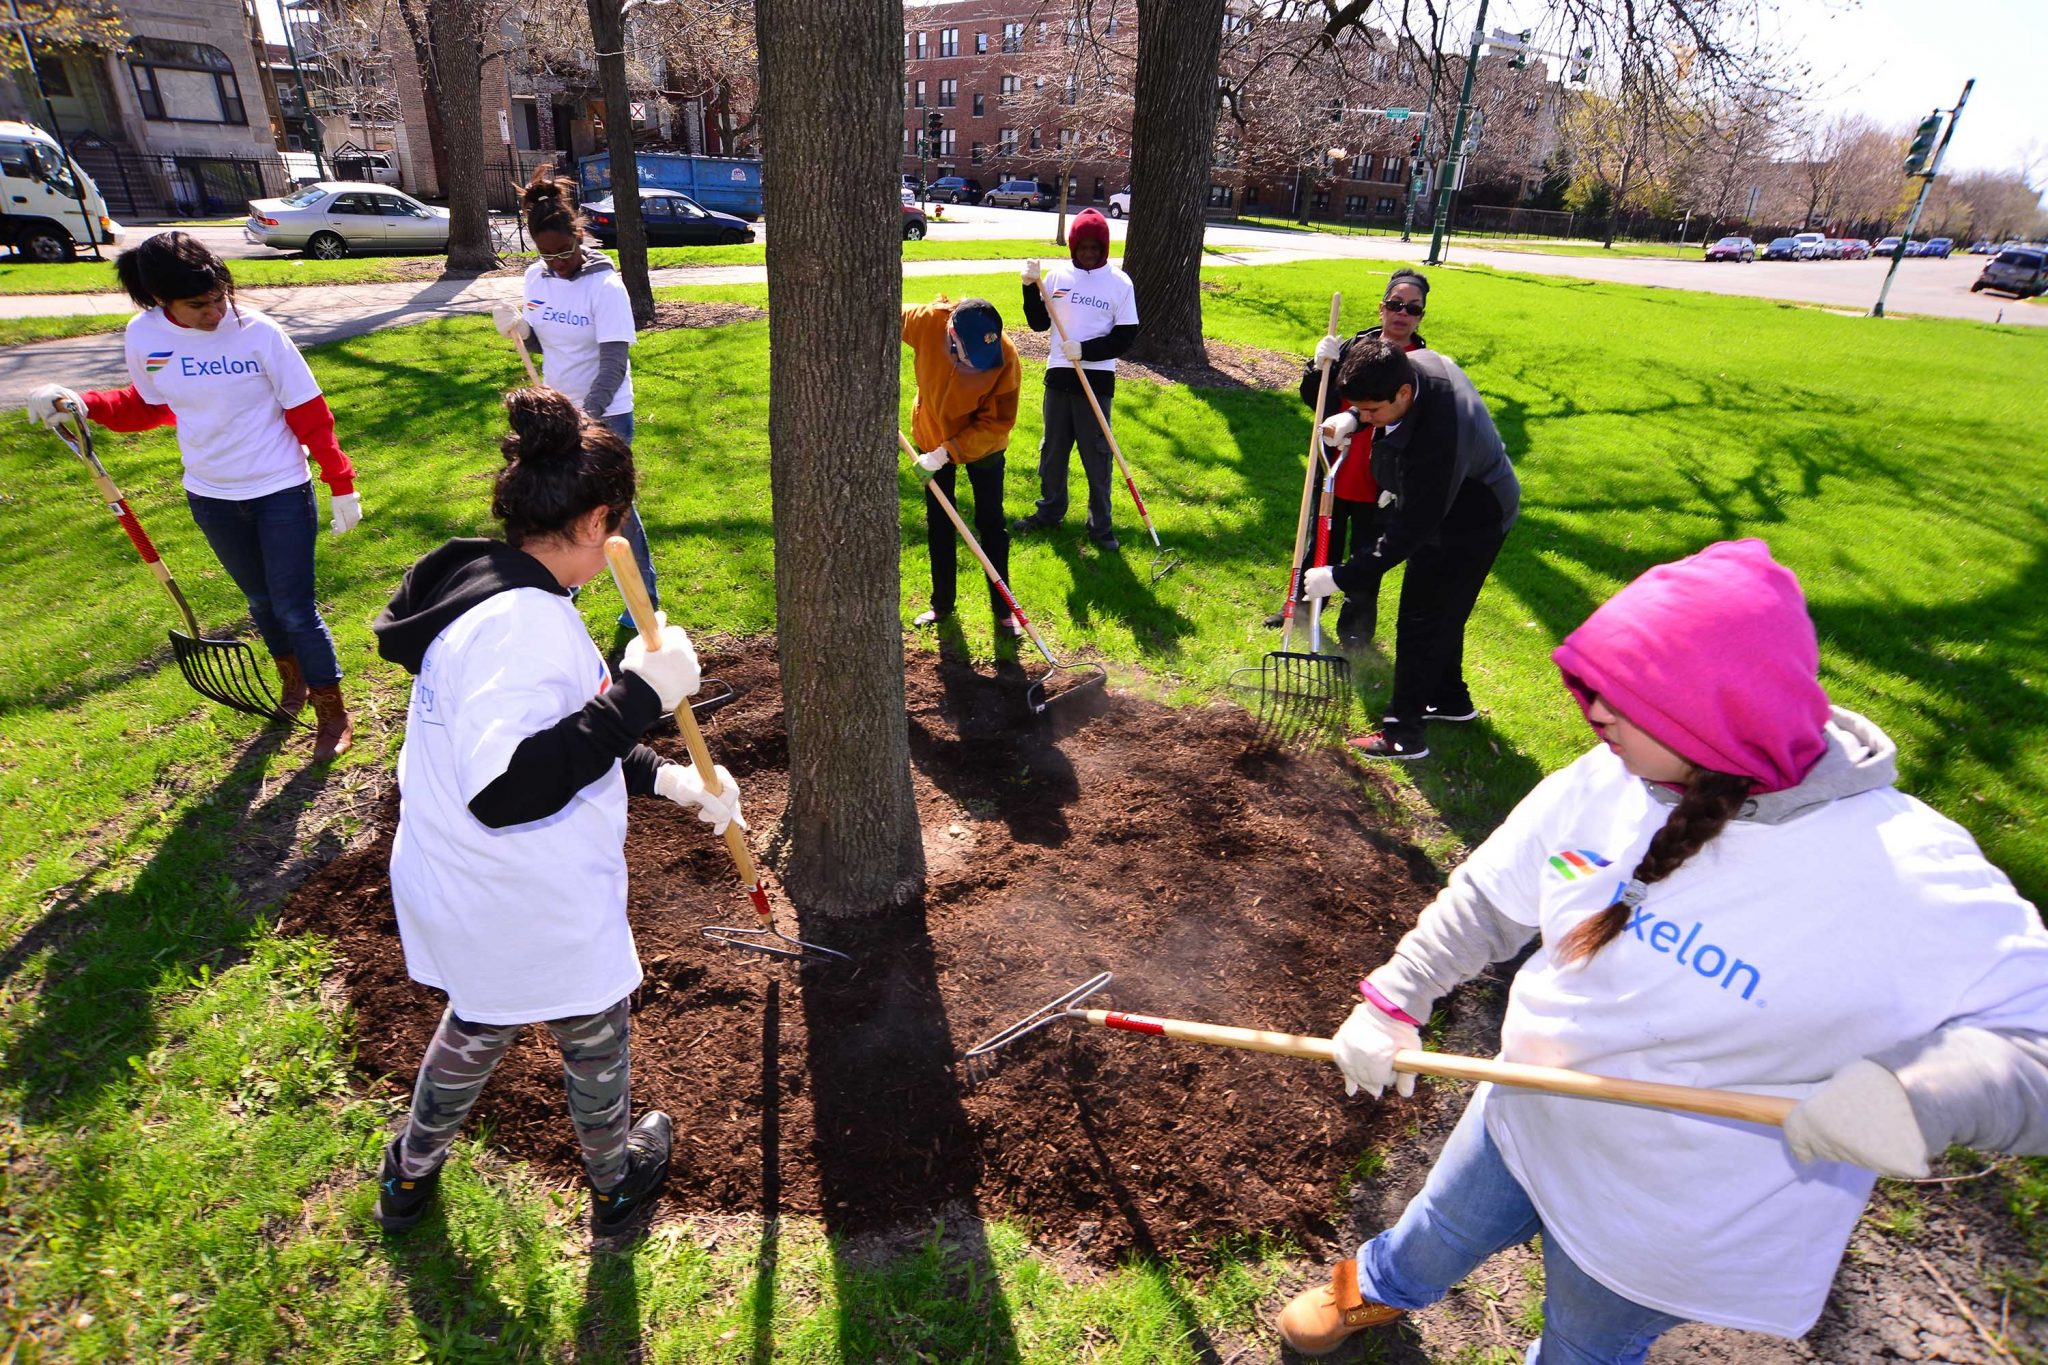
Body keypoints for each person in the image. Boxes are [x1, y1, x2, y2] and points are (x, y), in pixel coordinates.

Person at [1275, 539, 2048, 1361]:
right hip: (1522, 1115)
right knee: (1436, 1228)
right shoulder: (1605, 778)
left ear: (1713, 710)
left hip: (1665, 1222)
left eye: (1624, 695)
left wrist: (1913, 1097)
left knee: (1585, 1345)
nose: (1589, 708)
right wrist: (1395, 998)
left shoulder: (1910, 877)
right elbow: (1488, 900)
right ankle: (1374, 1291)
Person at [367, 387, 743, 1237]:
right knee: (594, 1026)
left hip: (463, 883)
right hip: (522, 885)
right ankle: (614, 1180)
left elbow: (567, 733)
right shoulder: (524, 627)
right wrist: (642, 695)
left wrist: (673, 780)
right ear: (598, 520)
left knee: (482, 1015)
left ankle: (408, 1172)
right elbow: (508, 788)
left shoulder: (485, 586)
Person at [25, 231, 361, 760]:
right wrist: (83, 403)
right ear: (162, 301)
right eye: (198, 305)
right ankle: (291, 681)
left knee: (295, 607)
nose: (214, 312)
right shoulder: (145, 335)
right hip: (211, 496)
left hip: (279, 489)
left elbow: (308, 414)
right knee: (260, 602)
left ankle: (332, 709)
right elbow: (151, 406)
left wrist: (340, 483)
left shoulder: (259, 334)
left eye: (219, 297)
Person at [1302, 339, 1519, 760]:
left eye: (1372, 412)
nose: (1367, 419)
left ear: (1402, 393)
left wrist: (1340, 576)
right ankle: (1451, 701)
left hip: (1474, 516)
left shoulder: (1442, 432)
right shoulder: (1407, 366)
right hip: (1455, 495)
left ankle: (1404, 735)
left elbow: (1412, 530)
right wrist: (1352, 417)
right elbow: (1390, 425)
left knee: (1423, 618)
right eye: (1360, 409)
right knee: (1445, 613)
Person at [492, 165, 654, 628]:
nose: (558, 261)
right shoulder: (536, 279)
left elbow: (614, 361)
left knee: (613, 508)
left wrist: (589, 415)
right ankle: (562, 586)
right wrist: (520, 329)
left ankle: (644, 597)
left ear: (579, 236)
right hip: (556, 410)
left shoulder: (605, 286)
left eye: (565, 250)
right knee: (558, 504)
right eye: (548, 255)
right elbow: (542, 341)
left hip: (606, 412)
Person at [1277, 267, 1433, 643]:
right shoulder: (1355, 349)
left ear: (1421, 316)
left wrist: (1402, 482)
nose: (1402, 313)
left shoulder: (1424, 367)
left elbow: (1423, 430)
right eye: (1395, 304)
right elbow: (1315, 399)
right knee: (1319, 545)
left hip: (1379, 483)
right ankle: (1300, 611)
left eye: (1413, 308)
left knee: (1367, 556)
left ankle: (1355, 632)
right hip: (1334, 467)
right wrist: (1318, 368)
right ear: (1381, 308)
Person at [1010, 207, 1139, 552]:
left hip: (1095, 379)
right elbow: (1039, 323)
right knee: (1052, 452)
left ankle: (1101, 527)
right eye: (1082, 248)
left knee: (1097, 455)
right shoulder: (1056, 278)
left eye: (1094, 249)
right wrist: (1027, 288)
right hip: (1058, 377)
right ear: (1073, 246)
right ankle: (1050, 512)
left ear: (1104, 248)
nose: (1088, 255)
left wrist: (1086, 350)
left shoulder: (1119, 283)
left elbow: (1126, 336)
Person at [902, 295, 1024, 634]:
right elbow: (885, 318)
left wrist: (948, 452)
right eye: (968, 357)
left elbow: (998, 422)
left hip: (983, 445)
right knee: (940, 523)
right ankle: (941, 605)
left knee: (991, 523)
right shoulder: (927, 321)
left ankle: (1004, 610)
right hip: (931, 435)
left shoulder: (1006, 357)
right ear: (951, 332)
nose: (974, 366)